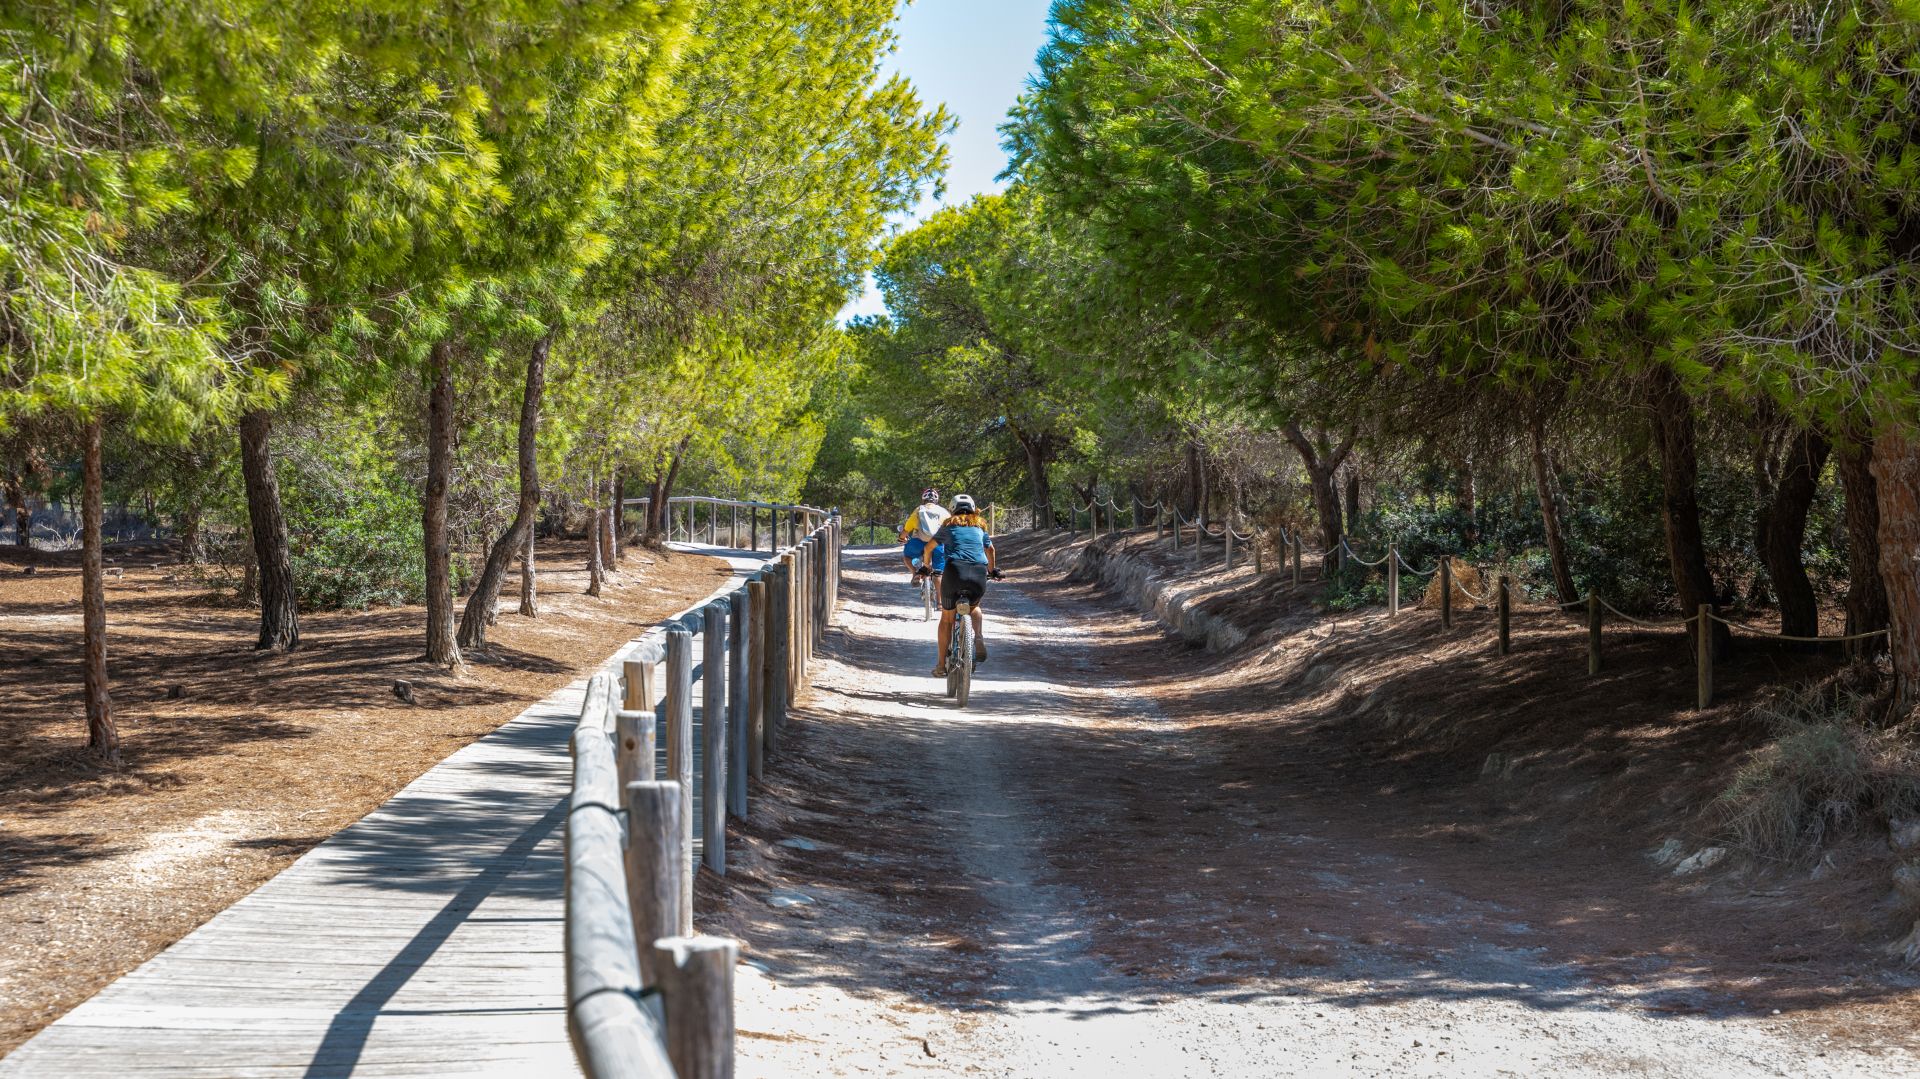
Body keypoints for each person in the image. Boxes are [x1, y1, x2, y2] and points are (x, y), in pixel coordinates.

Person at [921, 493, 999, 677]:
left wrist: (926, 566)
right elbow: (991, 549)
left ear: (952, 509)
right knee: (974, 606)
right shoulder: (980, 525)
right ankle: (978, 637)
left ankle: (941, 666)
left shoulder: (948, 525)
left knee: (947, 619)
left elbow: (929, 547)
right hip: (978, 573)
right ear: (972, 508)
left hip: (955, 571)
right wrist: (992, 570)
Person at [898, 487, 949, 580]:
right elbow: (951, 527)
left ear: (923, 499)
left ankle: (915, 573)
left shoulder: (918, 510)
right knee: (938, 573)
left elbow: (906, 530)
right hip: (937, 544)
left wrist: (901, 538)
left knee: (907, 557)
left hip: (918, 543)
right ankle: (939, 594)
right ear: (936, 500)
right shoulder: (943, 511)